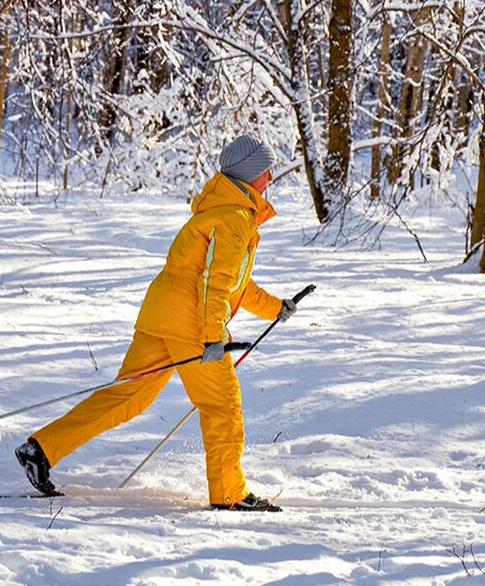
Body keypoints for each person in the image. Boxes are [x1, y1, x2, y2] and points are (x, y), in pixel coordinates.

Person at [15, 135, 296, 512]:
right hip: (191, 322)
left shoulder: (218, 212)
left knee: (128, 396)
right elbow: (216, 283)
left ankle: (42, 449)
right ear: (249, 175)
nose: (271, 176)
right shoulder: (235, 218)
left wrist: (277, 306)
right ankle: (230, 493)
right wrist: (213, 336)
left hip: (160, 314)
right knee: (222, 406)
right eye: (265, 170)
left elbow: (236, 285)